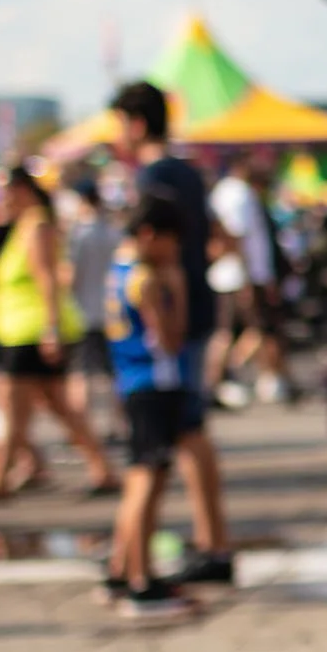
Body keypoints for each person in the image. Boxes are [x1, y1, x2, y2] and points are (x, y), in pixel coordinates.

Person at [111, 81, 233, 587]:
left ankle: (175, 551)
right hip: (189, 315)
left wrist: (164, 309)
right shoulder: (187, 171)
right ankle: (208, 542)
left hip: (168, 327)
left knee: (173, 437)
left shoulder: (155, 176)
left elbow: (166, 255)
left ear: (136, 123)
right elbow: (216, 237)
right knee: (187, 431)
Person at [0, 166, 118, 504]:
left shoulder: (36, 225)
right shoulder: (22, 224)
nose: (0, 199)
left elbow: (47, 277)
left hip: (31, 331)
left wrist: (50, 327)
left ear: (22, 189)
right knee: (58, 406)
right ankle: (101, 469)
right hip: (19, 330)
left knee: (14, 408)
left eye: (3, 191)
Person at [101, 195, 201, 621]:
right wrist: (176, 289)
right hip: (154, 383)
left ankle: (123, 569)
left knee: (139, 479)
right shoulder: (147, 279)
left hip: (132, 382)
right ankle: (140, 579)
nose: (174, 251)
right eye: (171, 242)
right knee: (147, 480)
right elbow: (172, 338)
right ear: (149, 235)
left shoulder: (118, 269)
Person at [208, 155, 285, 408]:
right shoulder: (239, 194)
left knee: (239, 331)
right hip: (242, 276)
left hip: (234, 275)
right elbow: (235, 236)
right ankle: (220, 380)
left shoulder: (224, 191)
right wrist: (246, 278)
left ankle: (225, 380)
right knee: (254, 330)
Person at [60, 176, 122, 441]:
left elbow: (70, 275)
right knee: (112, 372)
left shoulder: (80, 234)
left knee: (80, 373)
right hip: (110, 310)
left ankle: (81, 429)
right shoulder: (113, 231)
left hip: (82, 311)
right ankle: (117, 424)